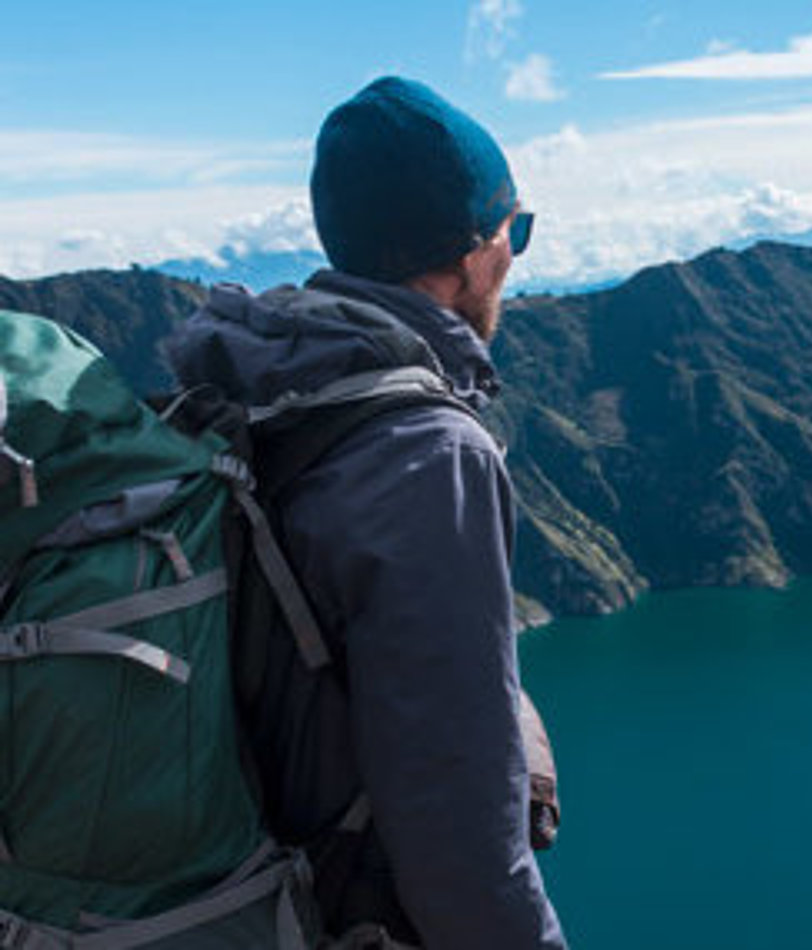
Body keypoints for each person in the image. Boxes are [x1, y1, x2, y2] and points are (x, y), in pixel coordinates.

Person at [168, 76, 567, 949]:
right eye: (517, 232)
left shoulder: (244, 379)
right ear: (471, 251)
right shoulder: (430, 456)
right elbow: (460, 830)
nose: (515, 258)